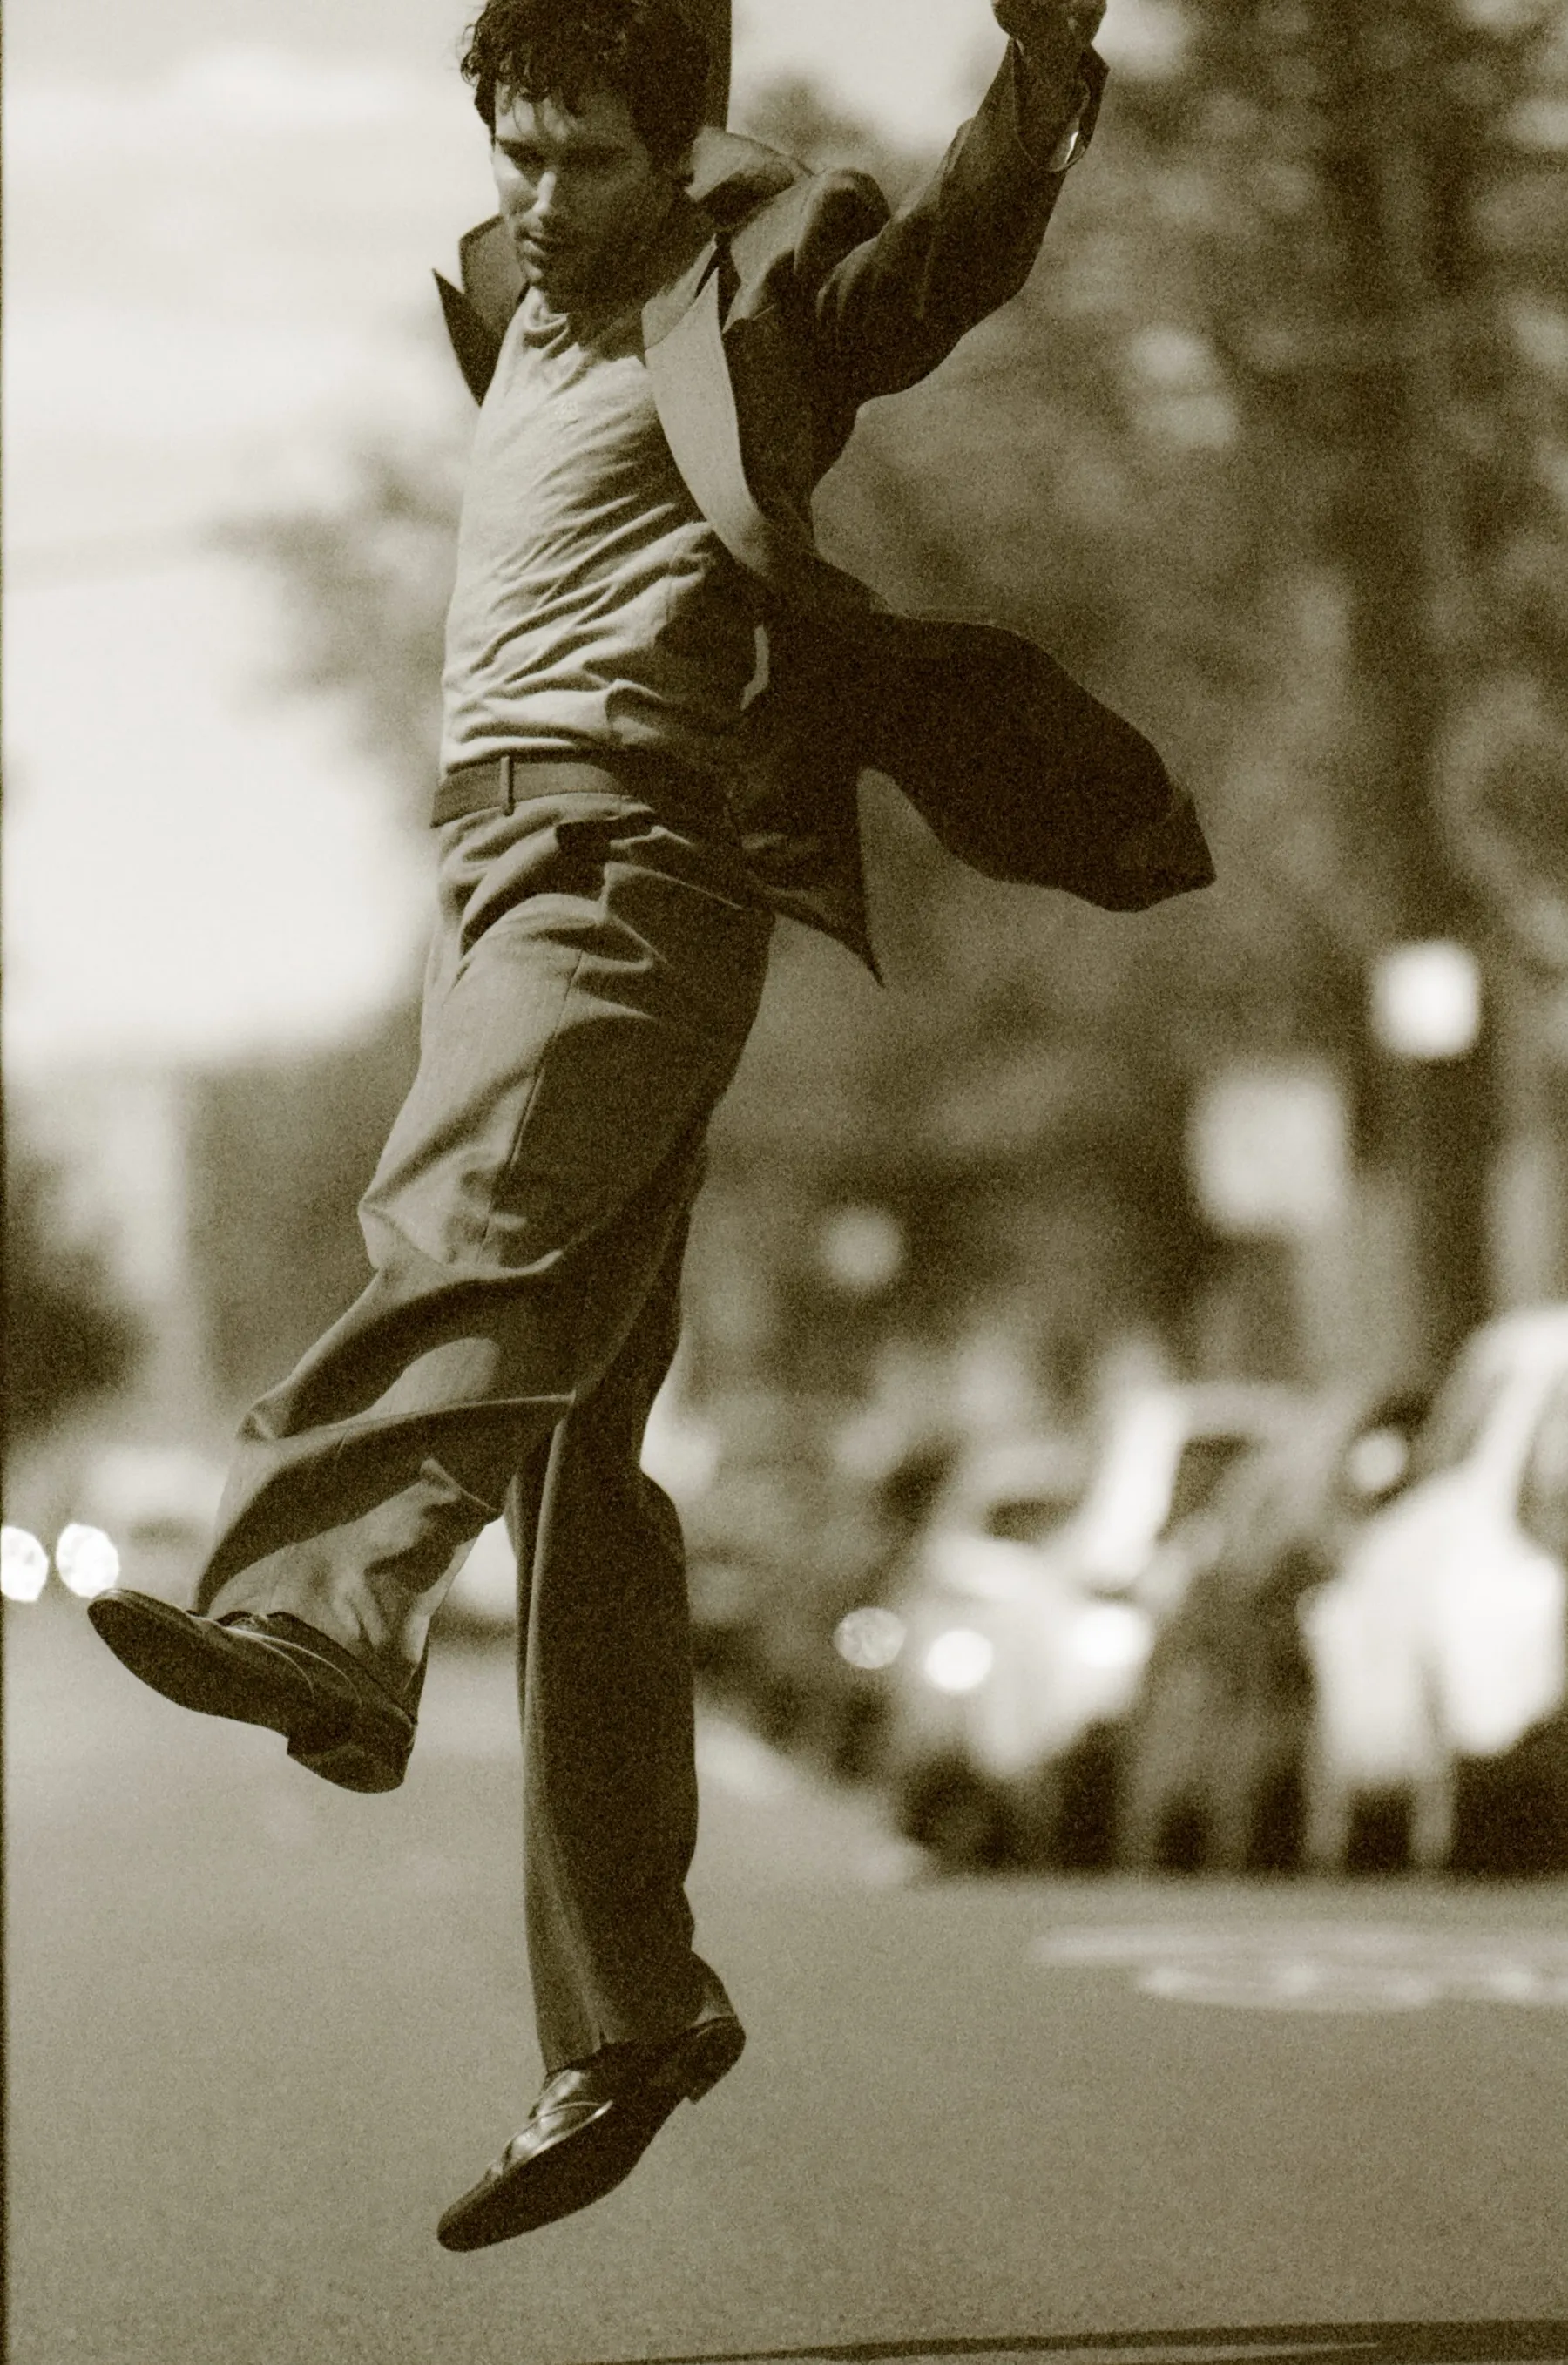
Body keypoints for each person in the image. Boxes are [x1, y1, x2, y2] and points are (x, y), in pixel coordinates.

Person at [87, 0, 1213, 2252]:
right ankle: (633, 2009)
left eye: (585, 156)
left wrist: (1042, 76)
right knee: (580, 1462)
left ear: (682, 152)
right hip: (494, 875)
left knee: (464, 1219)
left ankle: (323, 1611)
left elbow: (941, 274)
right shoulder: (516, 297)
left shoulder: (760, 283)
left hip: (634, 861)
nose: (537, 195)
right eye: (513, 150)